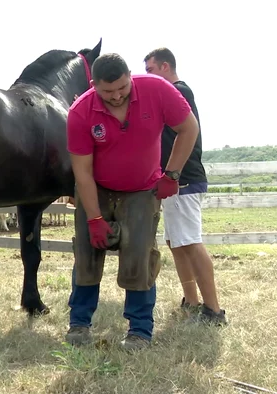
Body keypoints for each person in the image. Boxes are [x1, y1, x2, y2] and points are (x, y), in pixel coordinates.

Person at [65, 52, 199, 351]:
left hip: (142, 190)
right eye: (107, 91)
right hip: (97, 188)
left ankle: (140, 330)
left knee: (139, 257)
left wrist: (172, 174)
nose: (116, 96)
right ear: (93, 85)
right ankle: (79, 323)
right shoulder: (80, 111)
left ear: (130, 75)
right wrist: (94, 218)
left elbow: (188, 128)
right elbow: (82, 172)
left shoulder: (158, 89)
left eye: (122, 88)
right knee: (86, 255)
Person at [143, 47, 226, 325]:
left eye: (151, 70)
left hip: (183, 179)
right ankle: (191, 301)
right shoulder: (170, 94)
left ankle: (213, 310)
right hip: (175, 180)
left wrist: (173, 174)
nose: (149, 76)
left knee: (190, 243)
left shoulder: (179, 91)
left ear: (166, 66)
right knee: (176, 243)